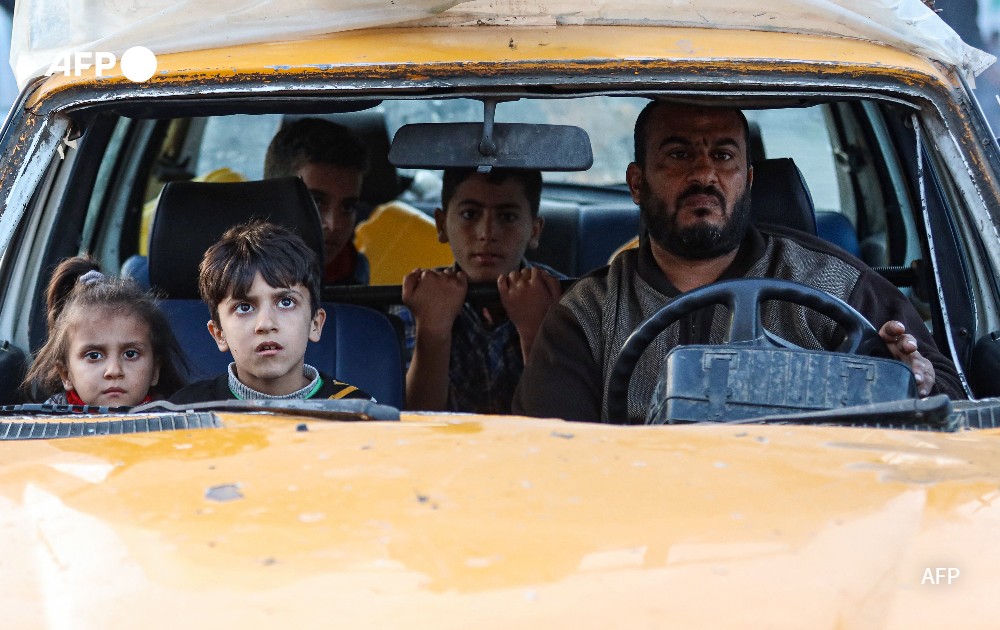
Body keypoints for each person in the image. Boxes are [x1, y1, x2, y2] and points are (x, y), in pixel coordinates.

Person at [513, 102, 965, 424]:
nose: (705, 175)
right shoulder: (588, 313)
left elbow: (951, 397)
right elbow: (550, 457)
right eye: (679, 154)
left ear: (747, 180)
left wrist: (917, 384)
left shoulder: (833, 282)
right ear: (637, 182)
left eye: (724, 156)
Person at [400, 168, 563, 413]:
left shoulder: (565, 300)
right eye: (469, 214)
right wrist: (432, 330)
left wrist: (537, 333)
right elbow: (416, 421)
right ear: (442, 225)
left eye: (507, 217)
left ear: (534, 230)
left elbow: (563, 422)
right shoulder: (418, 301)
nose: (487, 233)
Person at [170, 221, 374, 403]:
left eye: (286, 302)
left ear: (315, 323)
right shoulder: (187, 413)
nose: (266, 324)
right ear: (219, 334)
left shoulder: (358, 412)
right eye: (244, 307)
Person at [24, 255, 187, 406]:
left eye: (131, 354)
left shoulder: (174, 422)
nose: (114, 371)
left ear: (155, 371)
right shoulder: (45, 426)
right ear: (66, 374)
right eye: (94, 355)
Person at [264, 118, 370, 285]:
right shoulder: (229, 271)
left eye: (347, 207)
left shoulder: (354, 268)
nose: (334, 224)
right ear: (273, 198)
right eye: (316, 201)